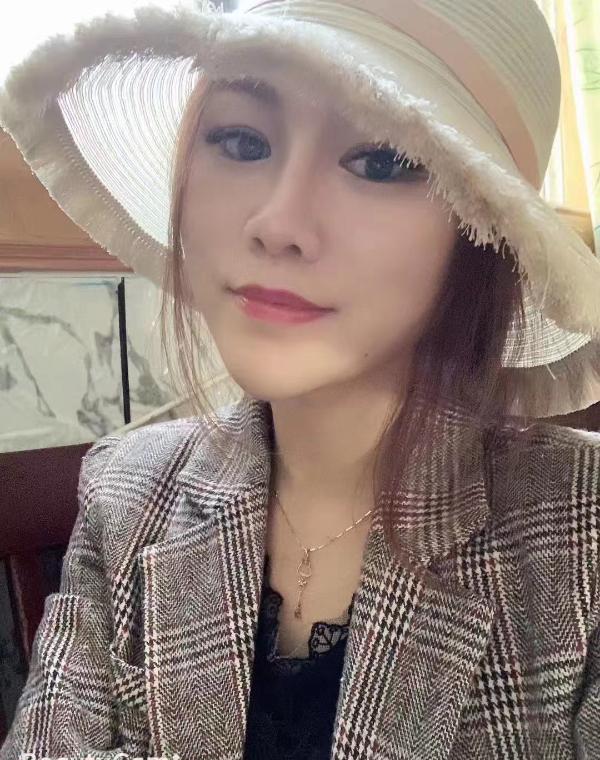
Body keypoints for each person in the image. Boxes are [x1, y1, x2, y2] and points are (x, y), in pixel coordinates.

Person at [0, 0, 599, 757]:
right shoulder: (126, 496)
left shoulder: (579, 535)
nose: (277, 223)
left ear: (482, 235)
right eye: (241, 140)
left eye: (382, 161)